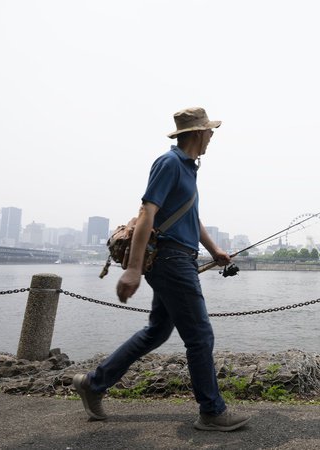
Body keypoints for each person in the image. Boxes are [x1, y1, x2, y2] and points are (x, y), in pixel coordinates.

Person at [73, 107, 250, 432]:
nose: (212, 136)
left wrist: (215, 251)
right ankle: (212, 411)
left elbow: (191, 218)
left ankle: (93, 383)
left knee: (157, 331)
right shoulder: (169, 163)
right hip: (171, 260)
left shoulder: (189, 169)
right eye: (210, 131)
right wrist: (133, 269)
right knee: (200, 336)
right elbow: (146, 213)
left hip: (180, 258)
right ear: (198, 133)